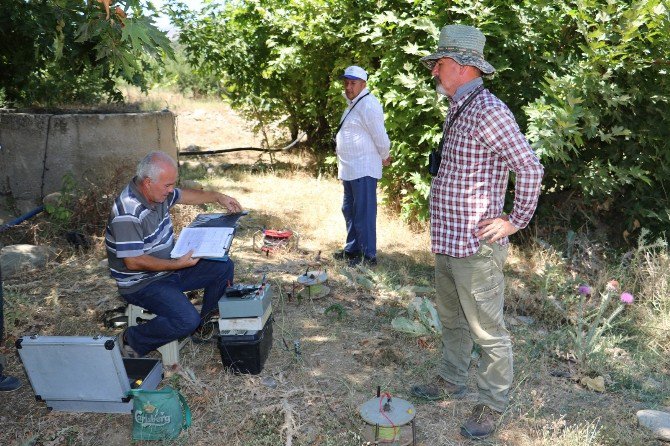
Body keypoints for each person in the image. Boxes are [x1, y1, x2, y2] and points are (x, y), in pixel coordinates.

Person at [410, 25, 544, 440]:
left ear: (464, 67)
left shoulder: (489, 110)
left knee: (488, 331)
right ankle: (452, 378)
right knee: (452, 320)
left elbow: (530, 167)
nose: (434, 72)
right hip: (449, 240)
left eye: (441, 64)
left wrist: (515, 220)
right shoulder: (460, 107)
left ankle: (491, 403)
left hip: (475, 245)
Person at [106, 151, 242, 358]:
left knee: (223, 267)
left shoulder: (158, 194)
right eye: (167, 186)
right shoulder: (128, 212)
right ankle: (132, 338)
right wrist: (178, 264)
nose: (171, 191)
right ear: (148, 182)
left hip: (170, 268)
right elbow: (133, 262)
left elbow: (185, 195)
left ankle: (203, 327)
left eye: (172, 185)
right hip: (142, 284)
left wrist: (218, 197)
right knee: (186, 319)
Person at [332, 65, 391, 267]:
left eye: (353, 83)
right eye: (346, 83)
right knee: (349, 210)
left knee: (363, 213)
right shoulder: (352, 104)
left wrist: (385, 154)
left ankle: (368, 256)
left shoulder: (368, 104)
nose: (348, 87)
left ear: (363, 84)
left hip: (363, 168)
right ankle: (352, 250)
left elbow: (379, 135)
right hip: (349, 168)